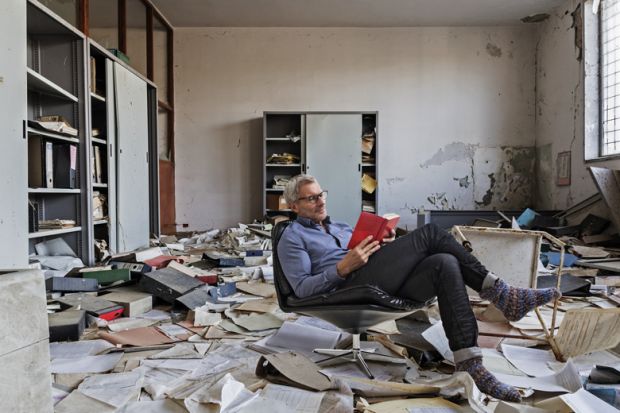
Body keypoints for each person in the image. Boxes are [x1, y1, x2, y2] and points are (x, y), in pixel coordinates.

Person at [277, 174, 561, 402]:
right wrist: (342, 268)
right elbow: (301, 290)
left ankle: (470, 363)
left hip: (370, 275)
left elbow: (363, 254)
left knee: (444, 261)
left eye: (321, 194)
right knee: (431, 234)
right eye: (311, 198)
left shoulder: (338, 226)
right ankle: (503, 294)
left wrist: (382, 246)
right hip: (348, 286)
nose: (320, 201)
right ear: (294, 206)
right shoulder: (292, 237)